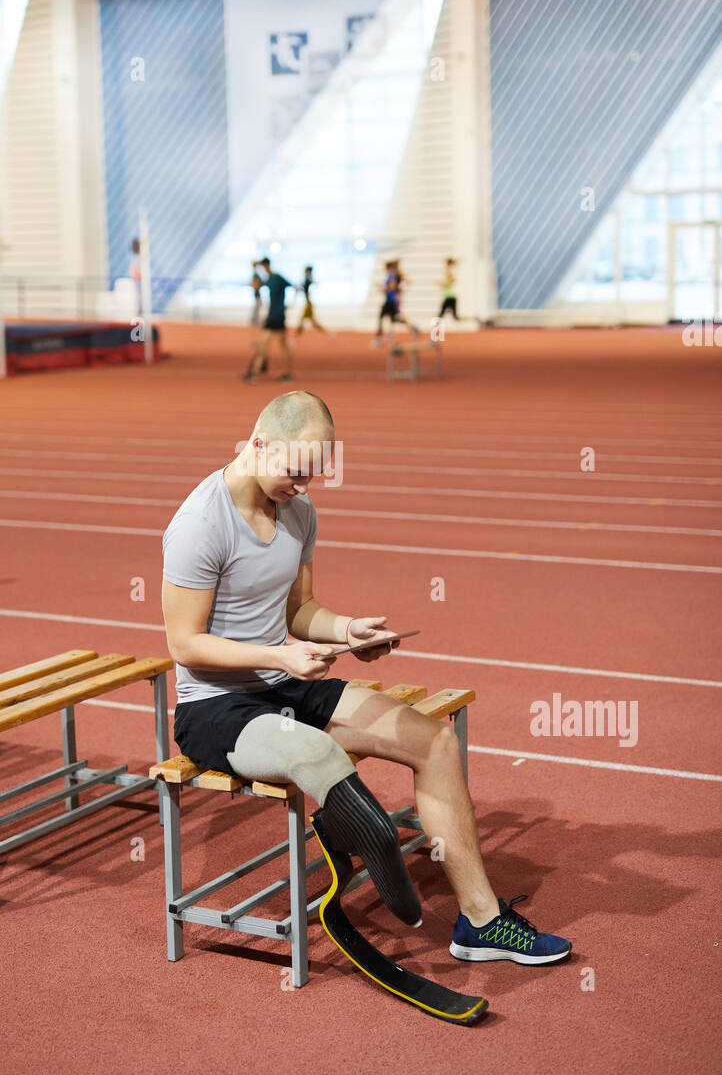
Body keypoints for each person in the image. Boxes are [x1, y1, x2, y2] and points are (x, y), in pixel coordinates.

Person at [161, 390, 572, 966]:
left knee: (433, 741)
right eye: (295, 472)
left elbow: (298, 610)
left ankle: (482, 922)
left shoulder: (298, 511)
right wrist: (282, 657)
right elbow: (185, 643)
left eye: (314, 475)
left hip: (287, 684)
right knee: (313, 750)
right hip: (216, 706)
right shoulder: (199, 524)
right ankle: (370, 840)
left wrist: (347, 630)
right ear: (258, 444)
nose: (303, 487)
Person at [243, 257, 292, 383]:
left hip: (274, 317)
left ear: (265, 266)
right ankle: (287, 374)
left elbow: (256, 285)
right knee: (282, 346)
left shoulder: (274, 278)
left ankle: (254, 373)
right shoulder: (272, 278)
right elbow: (257, 285)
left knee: (264, 345)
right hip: (278, 316)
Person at [373, 259, 417, 343]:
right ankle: (391, 334)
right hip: (391, 300)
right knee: (392, 318)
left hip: (392, 300)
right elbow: (399, 284)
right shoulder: (395, 275)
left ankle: (380, 338)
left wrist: (383, 289)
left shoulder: (391, 275)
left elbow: (392, 286)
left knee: (387, 317)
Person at [296, 265, 326, 335]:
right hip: (307, 302)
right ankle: (327, 333)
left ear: (308, 271)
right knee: (312, 322)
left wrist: (306, 292)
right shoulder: (307, 279)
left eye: (306, 270)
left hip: (308, 303)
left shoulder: (308, 278)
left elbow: (313, 284)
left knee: (302, 320)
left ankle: (295, 338)